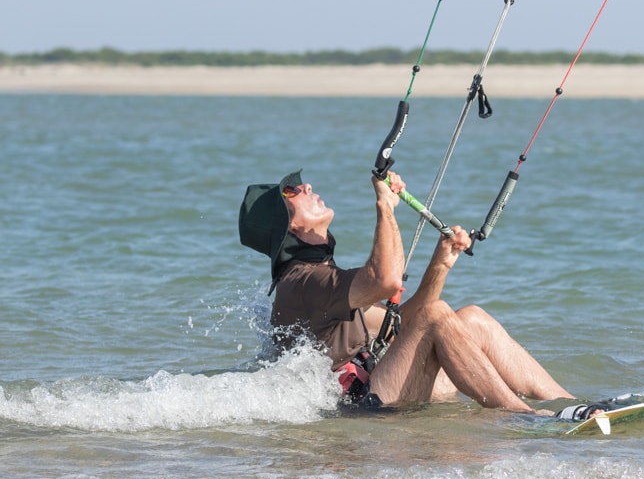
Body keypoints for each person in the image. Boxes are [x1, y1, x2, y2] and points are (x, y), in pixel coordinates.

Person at [239, 169, 592, 417]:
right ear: (291, 226)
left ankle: (567, 404)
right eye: (292, 192)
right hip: (367, 411)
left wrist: (440, 264)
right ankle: (526, 416)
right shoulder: (303, 282)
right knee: (438, 314)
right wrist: (383, 205)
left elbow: (402, 322)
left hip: (386, 388)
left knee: (472, 319)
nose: (306, 186)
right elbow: (386, 281)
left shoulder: (322, 276)